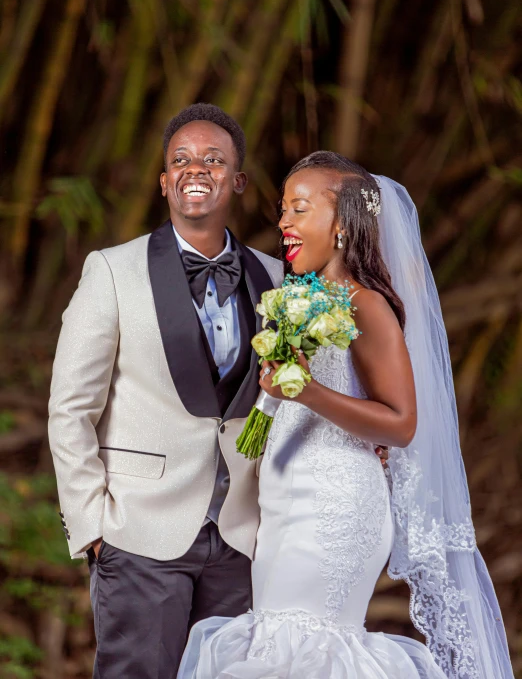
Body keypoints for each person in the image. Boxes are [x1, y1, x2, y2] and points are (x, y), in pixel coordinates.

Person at [48, 104, 389, 678]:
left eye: (213, 158)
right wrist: (93, 529)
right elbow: (69, 410)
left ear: (237, 181)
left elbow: (299, 393)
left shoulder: (280, 280)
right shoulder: (110, 270)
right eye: (180, 159)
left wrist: (359, 442)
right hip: (139, 534)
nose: (195, 168)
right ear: (163, 181)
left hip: (244, 538)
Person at [178, 152, 513, 679]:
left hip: (333, 507)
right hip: (287, 506)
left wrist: (306, 391)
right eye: (283, 210)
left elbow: (401, 422)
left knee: (303, 648)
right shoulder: (305, 297)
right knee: (276, 641)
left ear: (341, 225)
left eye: (299, 209)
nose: (283, 223)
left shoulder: (366, 305)